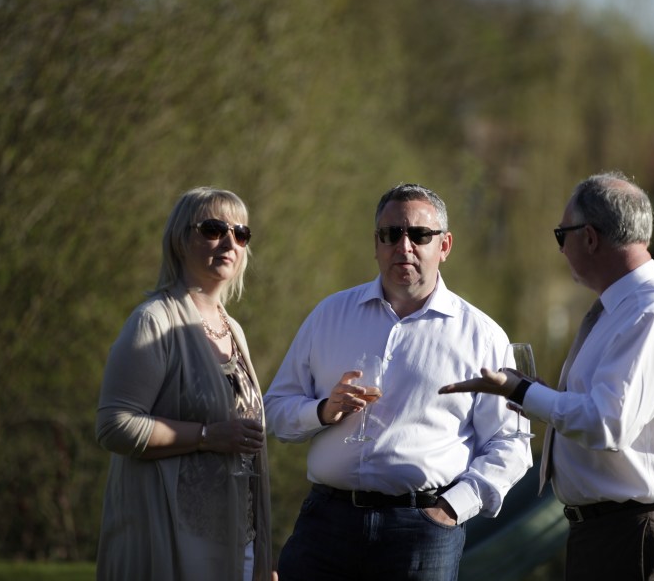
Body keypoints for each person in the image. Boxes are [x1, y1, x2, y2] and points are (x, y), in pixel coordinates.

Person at [440, 171, 654, 580]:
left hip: (632, 532)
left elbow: (607, 423)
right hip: (613, 530)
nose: (561, 249)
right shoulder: (626, 310)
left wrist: (521, 391)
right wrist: (535, 394)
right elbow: (604, 409)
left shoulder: (650, 314)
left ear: (590, 238)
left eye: (561, 235)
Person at [263, 183, 532, 581]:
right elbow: (274, 411)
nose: (403, 246)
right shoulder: (330, 316)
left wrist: (453, 508)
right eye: (391, 234)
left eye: (419, 235)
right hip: (326, 523)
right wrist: (322, 411)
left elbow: (511, 443)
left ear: (444, 246)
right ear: (376, 243)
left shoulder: (482, 336)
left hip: (422, 530)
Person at [96, 187, 276, 581]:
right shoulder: (153, 321)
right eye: (213, 229)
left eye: (241, 233)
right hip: (174, 540)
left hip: (238, 542)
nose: (229, 242)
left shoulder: (233, 328)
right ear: (181, 240)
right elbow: (114, 425)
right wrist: (207, 436)